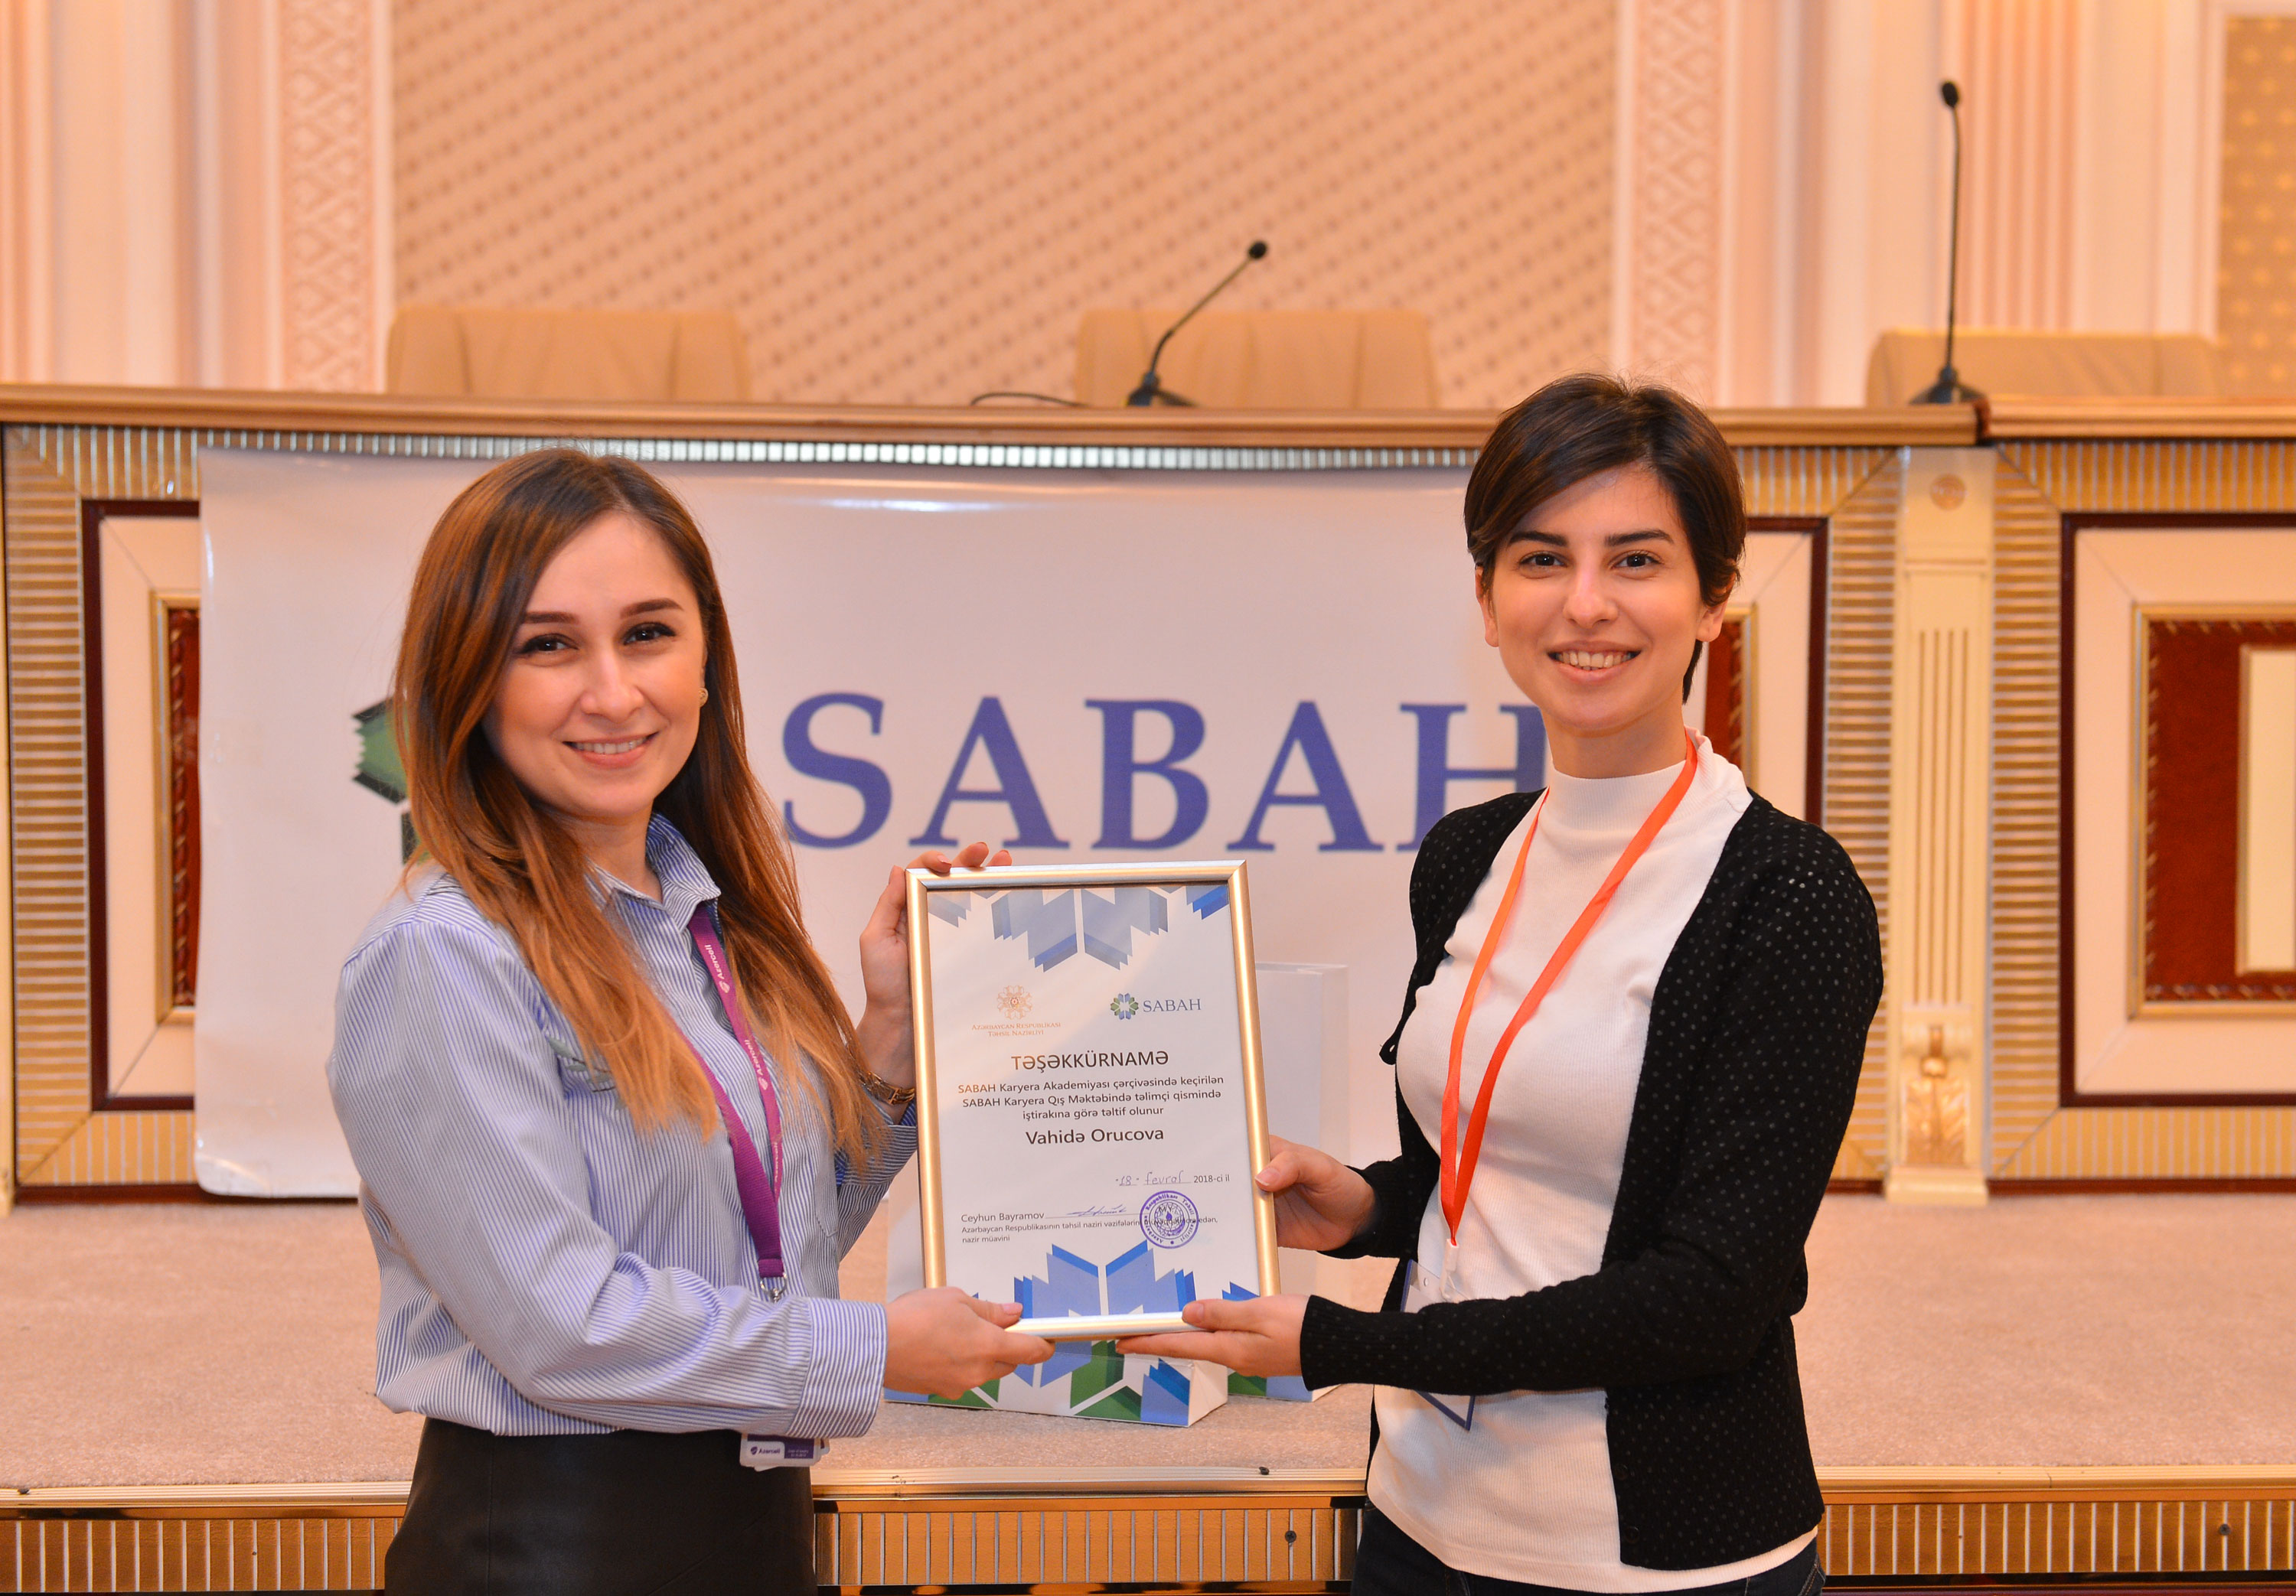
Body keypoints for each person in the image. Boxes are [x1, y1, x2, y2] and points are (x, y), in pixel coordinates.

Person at [1121, 376, 1882, 1596]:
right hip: (1422, 1516)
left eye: (1636, 558)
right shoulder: (1468, 854)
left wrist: (1345, 1342)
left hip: (1657, 1559)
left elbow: (1712, 1294)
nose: (1586, 603)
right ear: (1486, 600)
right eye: (1541, 558)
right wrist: (1364, 1206)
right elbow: (1497, 1178)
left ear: (1714, 597)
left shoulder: (1789, 896)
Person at [327, 448, 1051, 1594]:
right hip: (551, 1551)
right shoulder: (442, 952)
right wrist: (874, 1347)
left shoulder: (702, 911)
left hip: (749, 1530)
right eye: (549, 645)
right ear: (471, 681)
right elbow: (558, 1325)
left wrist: (891, 1039)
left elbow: (768, 1246)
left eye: (649, 633)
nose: (615, 693)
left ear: (707, 658)